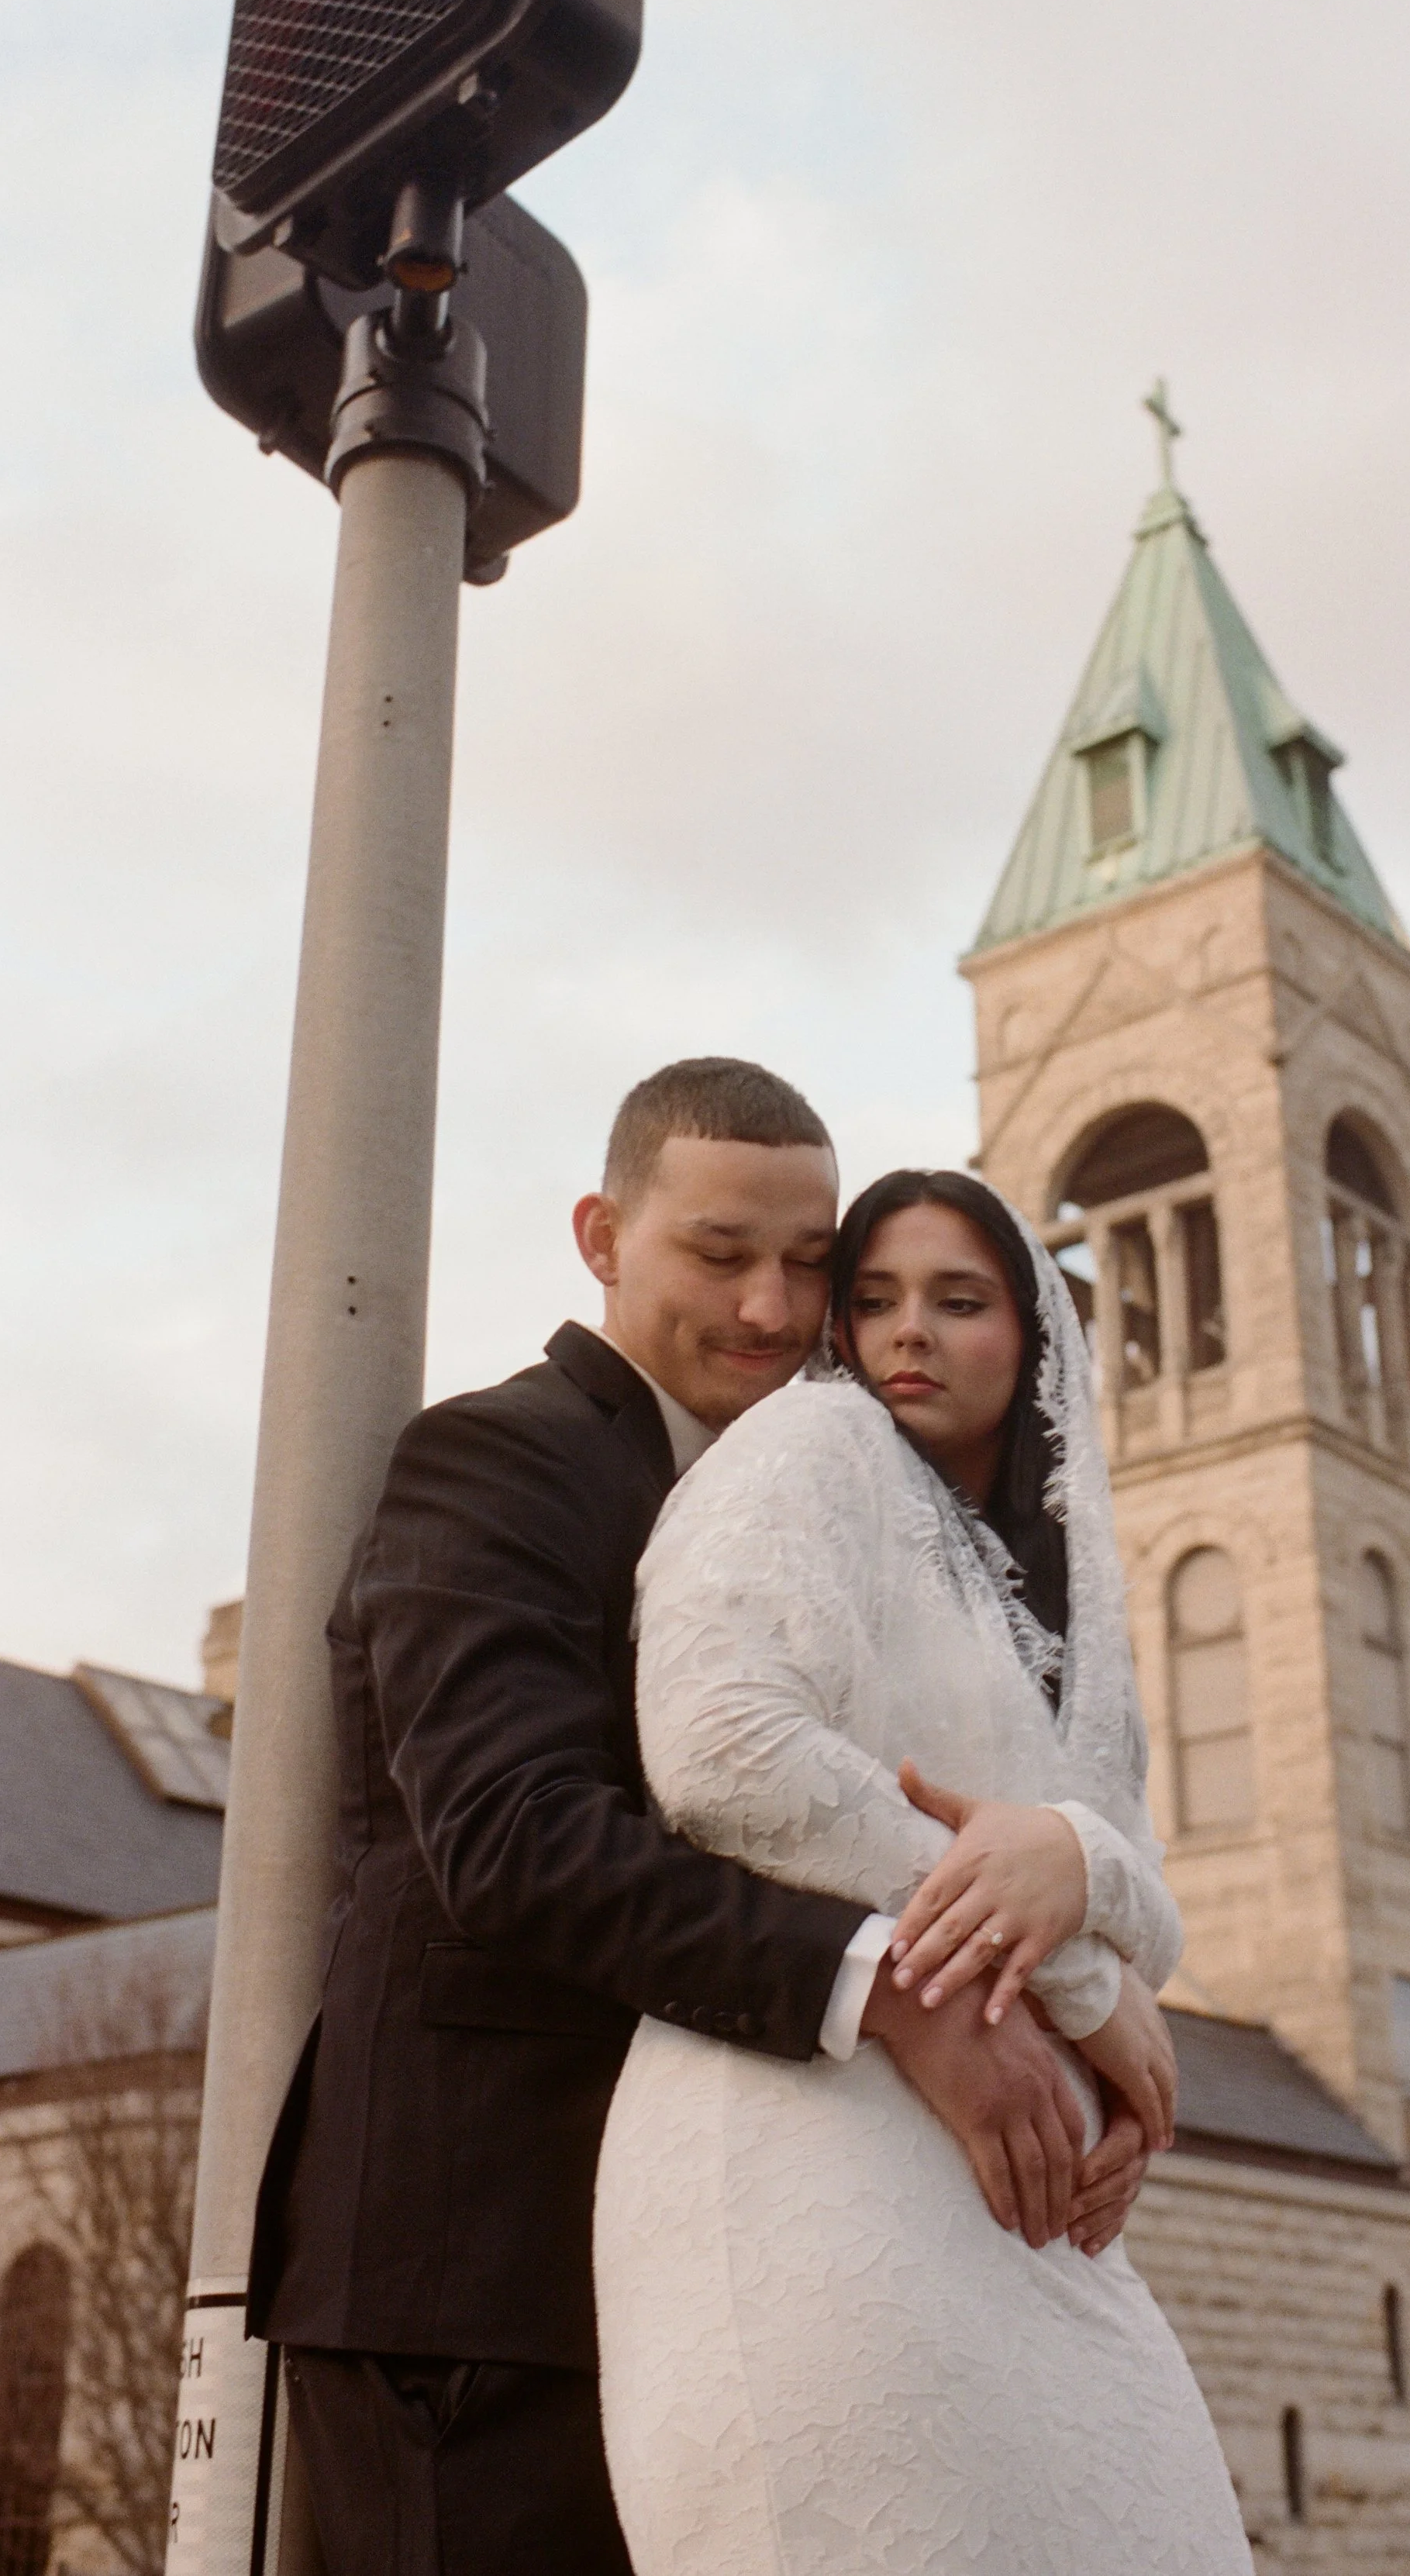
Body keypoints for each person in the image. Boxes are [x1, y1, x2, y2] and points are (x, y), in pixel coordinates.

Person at [248, 1066, 1149, 2576]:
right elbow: (516, 1835)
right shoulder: (499, 1461)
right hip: (478, 2275)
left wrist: (1083, 1977)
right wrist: (905, 1996)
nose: (770, 1309)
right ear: (601, 1236)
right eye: (719, 1253)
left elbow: (890, 1810)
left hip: (721, 2271)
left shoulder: (830, 1507)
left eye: (812, 1266)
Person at [595, 1167, 1254, 2574]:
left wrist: (1076, 1864)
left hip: (1033, 2220)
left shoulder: (1063, 1593)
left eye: (959, 1301)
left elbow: (1138, 1892)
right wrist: (1072, 1973)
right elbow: (722, 1752)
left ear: (1036, 1337)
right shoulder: (811, 1449)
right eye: (876, 1299)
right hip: (813, 2159)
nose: (909, 1333)